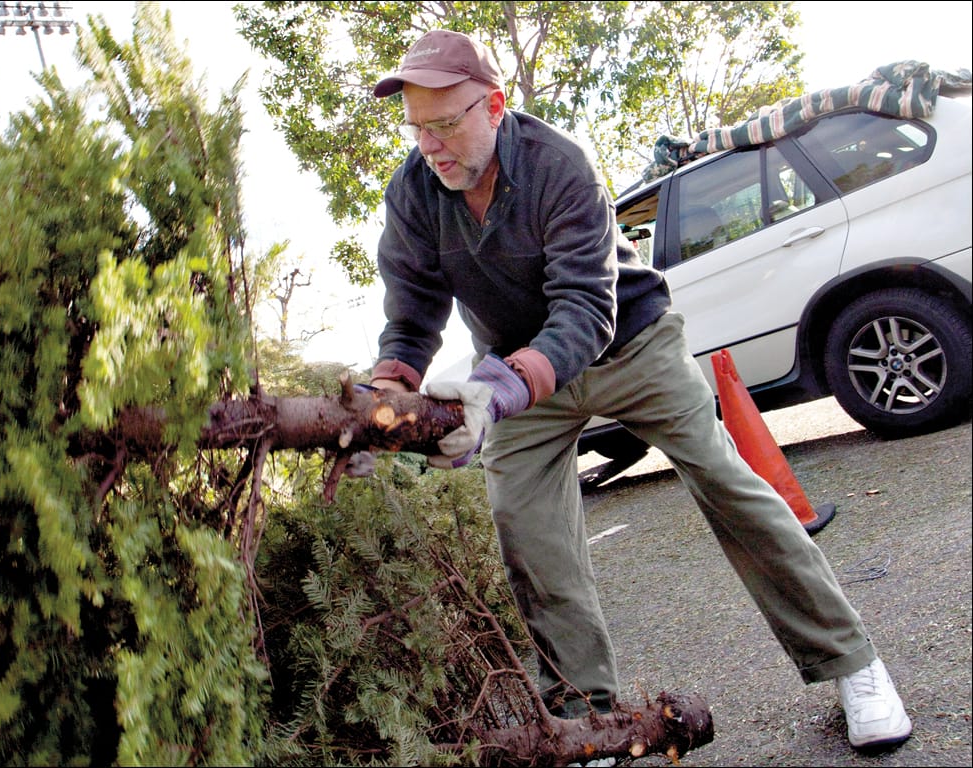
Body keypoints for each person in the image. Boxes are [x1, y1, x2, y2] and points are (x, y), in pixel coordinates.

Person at [363, 28, 913, 754]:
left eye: (443, 125)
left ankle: (854, 665)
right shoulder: (413, 193)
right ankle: (586, 723)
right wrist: (383, 394)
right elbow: (410, 319)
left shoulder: (560, 166)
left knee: (727, 480)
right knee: (529, 535)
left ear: (493, 105)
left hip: (629, 343)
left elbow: (586, 310)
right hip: (519, 379)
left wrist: (494, 392)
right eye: (416, 129)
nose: (430, 146)